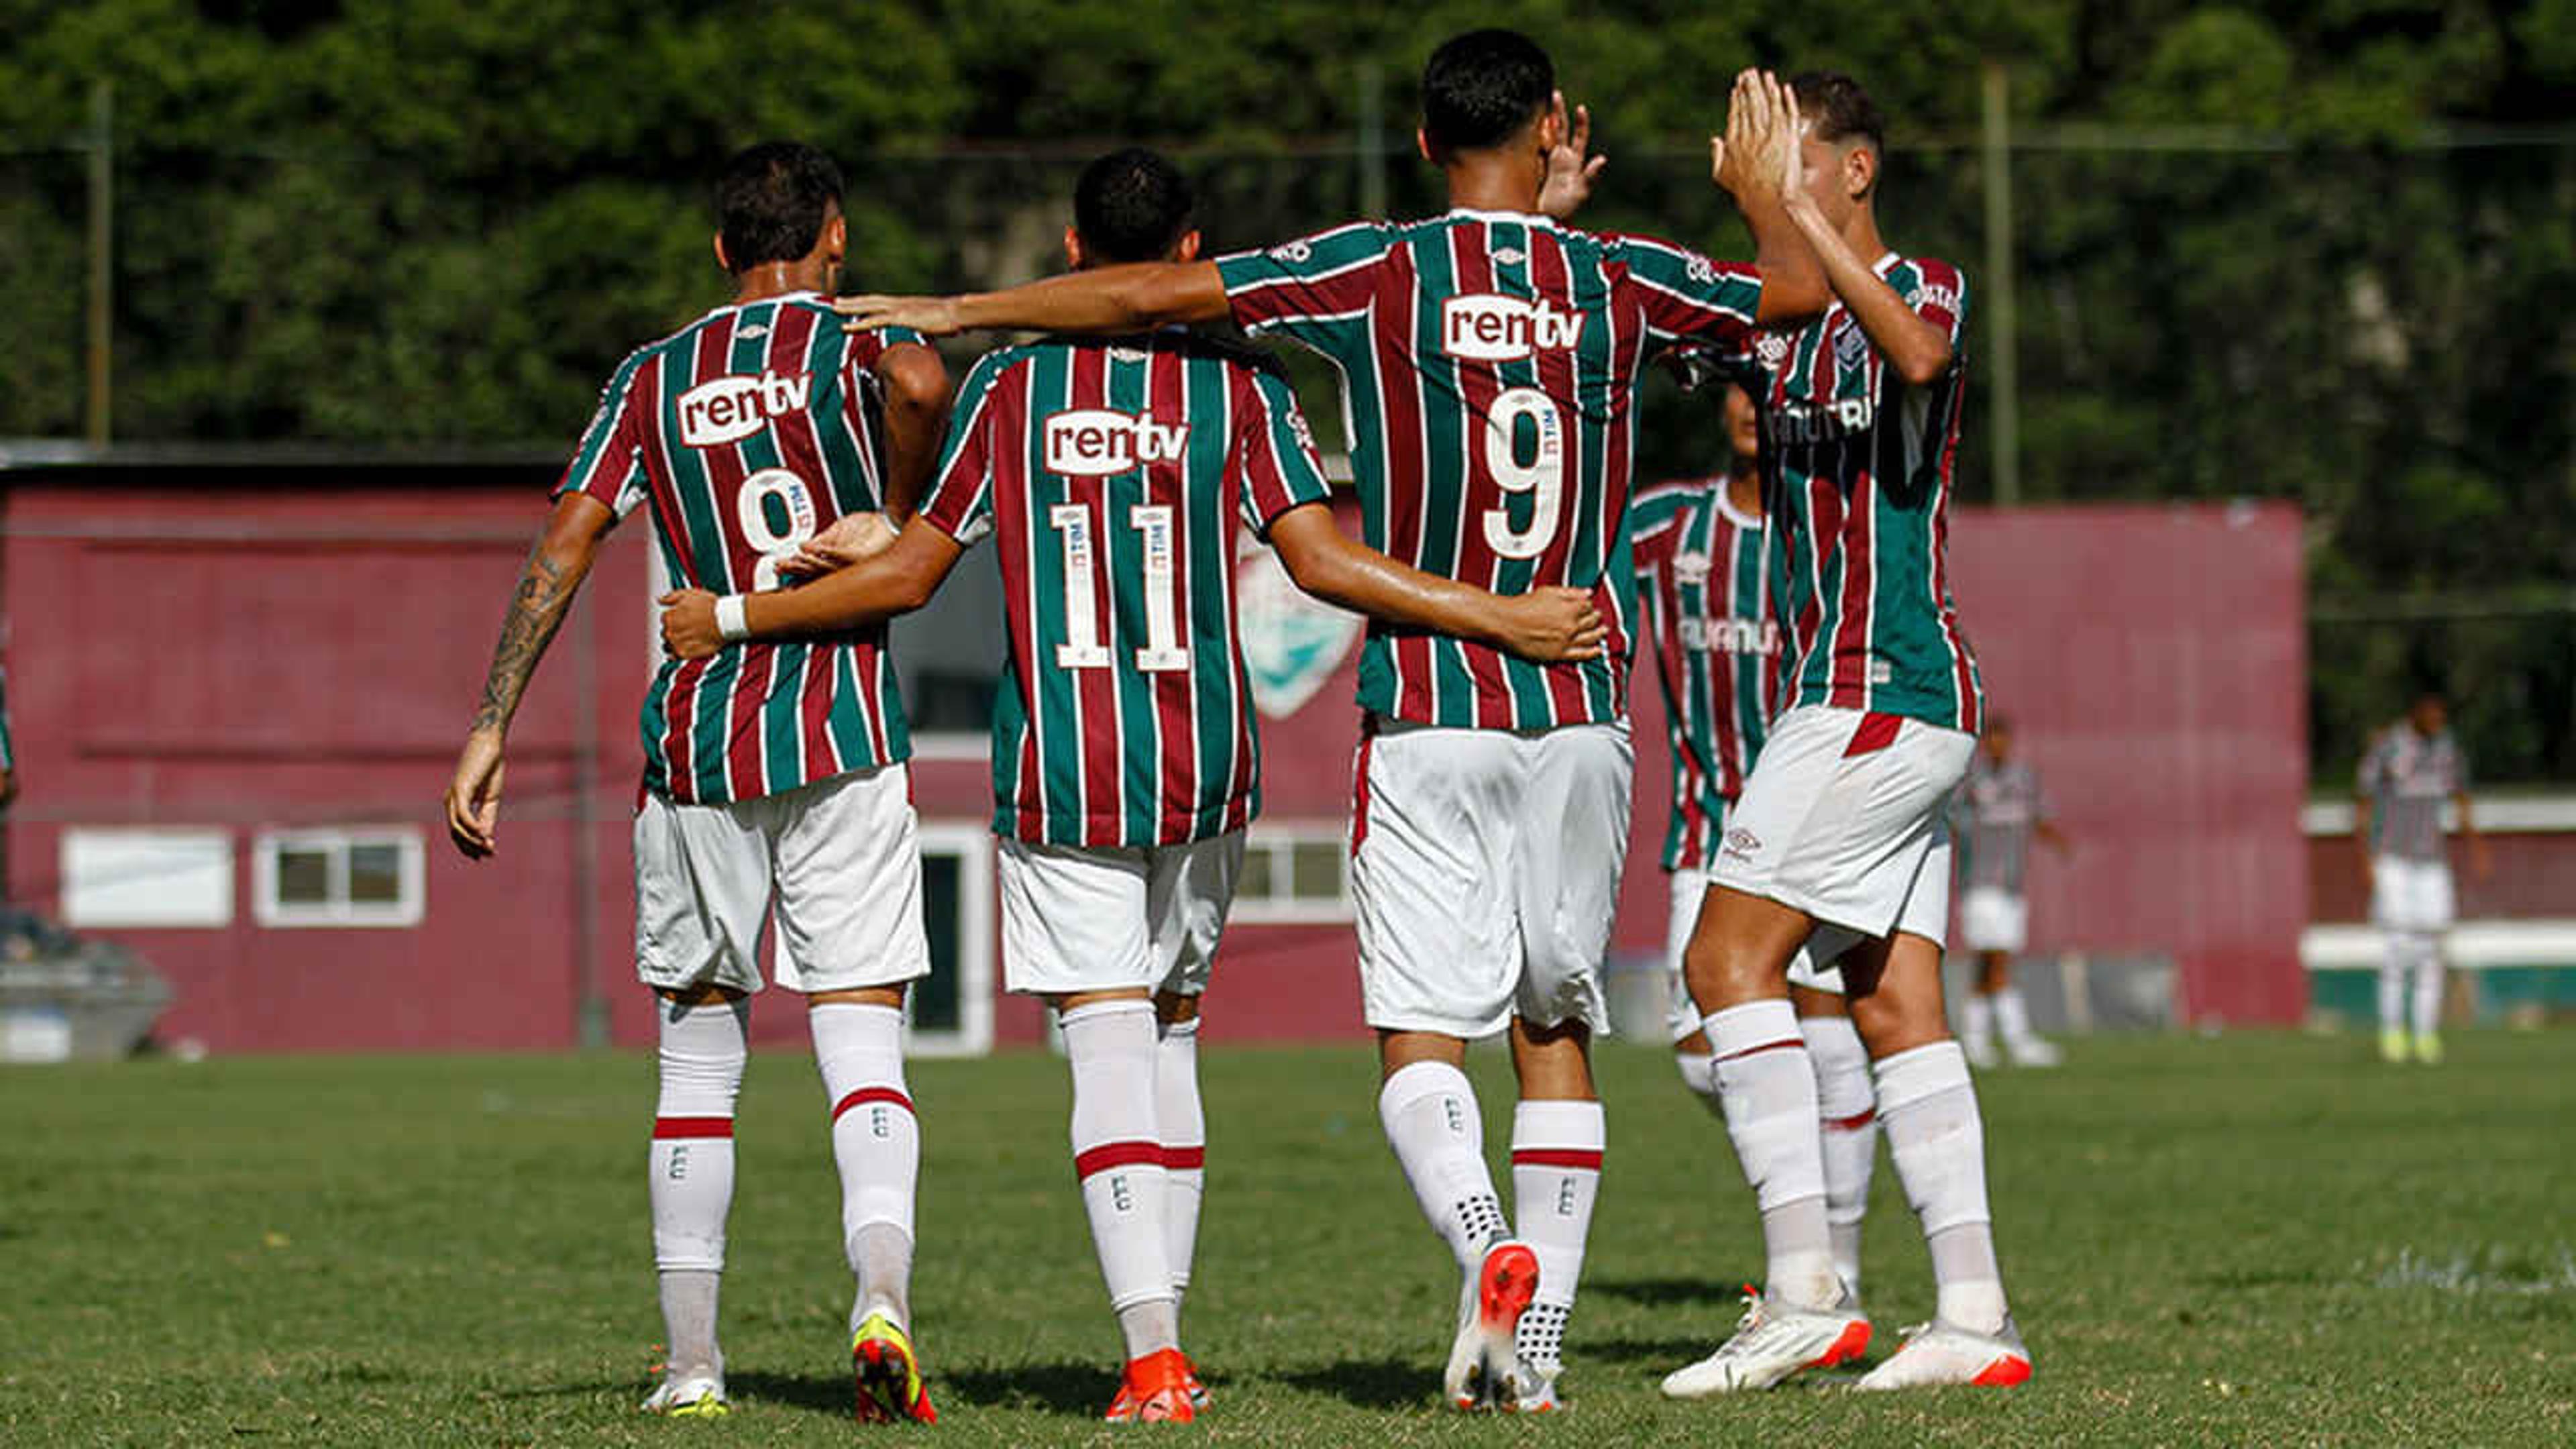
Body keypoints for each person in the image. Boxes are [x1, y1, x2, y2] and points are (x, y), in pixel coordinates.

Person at [841, 32, 1823, 1413]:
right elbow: (1790, 294)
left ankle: (1484, 1249)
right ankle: (1529, 1363)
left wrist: (956, 308)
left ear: (1423, 145)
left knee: (1421, 1034)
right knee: (1556, 1027)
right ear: (1552, 129)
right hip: (1583, 701)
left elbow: (1152, 294)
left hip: (1428, 703)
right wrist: (1764, 185)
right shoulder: (1617, 278)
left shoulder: (1377, 265)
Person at [661, 147, 1606, 1422]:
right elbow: (1319, 562)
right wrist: (1497, 610)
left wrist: (737, 611)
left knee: (1105, 1043)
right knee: (1174, 1034)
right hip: (1205, 760)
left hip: (1062, 763)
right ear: (1189, 252)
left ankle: (1154, 1353)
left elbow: (910, 572)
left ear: (1064, 253)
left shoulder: (1010, 386)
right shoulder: (1240, 387)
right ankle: (1200, 1332)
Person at [440, 142, 951, 1424]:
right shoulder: (849, 340)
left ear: (723, 251)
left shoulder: (652, 374)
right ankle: (880, 1293)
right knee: (863, 1039)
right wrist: (889, 506)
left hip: (701, 741)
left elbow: (570, 538)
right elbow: (922, 373)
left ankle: (691, 1367)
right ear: (833, 239)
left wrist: (492, 719)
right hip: (841, 729)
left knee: (697, 1058)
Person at [1660, 70, 2033, 1397]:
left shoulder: (1921, 285)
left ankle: (1808, 1288)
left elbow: (1923, 359)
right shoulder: (1780, 331)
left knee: (1722, 963)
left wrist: (1798, 222)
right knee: (1892, 1001)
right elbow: (1672, 328)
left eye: (1797, 161)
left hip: (1887, 688)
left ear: (1856, 170)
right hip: (1858, 697)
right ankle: (1977, 1314)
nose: (1776, 181)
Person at [1631, 376, 1876, 1299]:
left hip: (1816, 821)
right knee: (1699, 1049)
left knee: (1830, 1030)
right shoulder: (1664, 528)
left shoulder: (1832, 529)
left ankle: (1829, 1274)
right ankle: (1811, 1204)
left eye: (1767, 389)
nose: (1750, 404)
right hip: (1706, 827)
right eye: (1738, 386)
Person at [2357, 690, 2487, 1065]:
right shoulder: (2389, 749)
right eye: (2431, 715)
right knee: (2398, 947)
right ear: (2416, 712)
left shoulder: (2447, 751)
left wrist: (2476, 844)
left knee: (2432, 949)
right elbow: (2363, 803)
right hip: (2394, 860)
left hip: (2432, 861)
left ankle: (2426, 1033)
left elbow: (2461, 796)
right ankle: (2392, 1032)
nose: (2437, 722)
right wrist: (2365, 857)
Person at [1952, 716, 2072, 1068]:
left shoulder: (2024, 779)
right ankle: (2013, 1039)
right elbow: (1951, 823)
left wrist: (2059, 843)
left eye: (2003, 738)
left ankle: (1979, 1040)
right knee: (1994, 961)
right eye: (1992, 739)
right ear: (1983, 742)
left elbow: (2038, 818)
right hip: (1980, 884)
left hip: (2012, 886)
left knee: (1996, 962)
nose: (1998, 745)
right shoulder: (1971, 782)